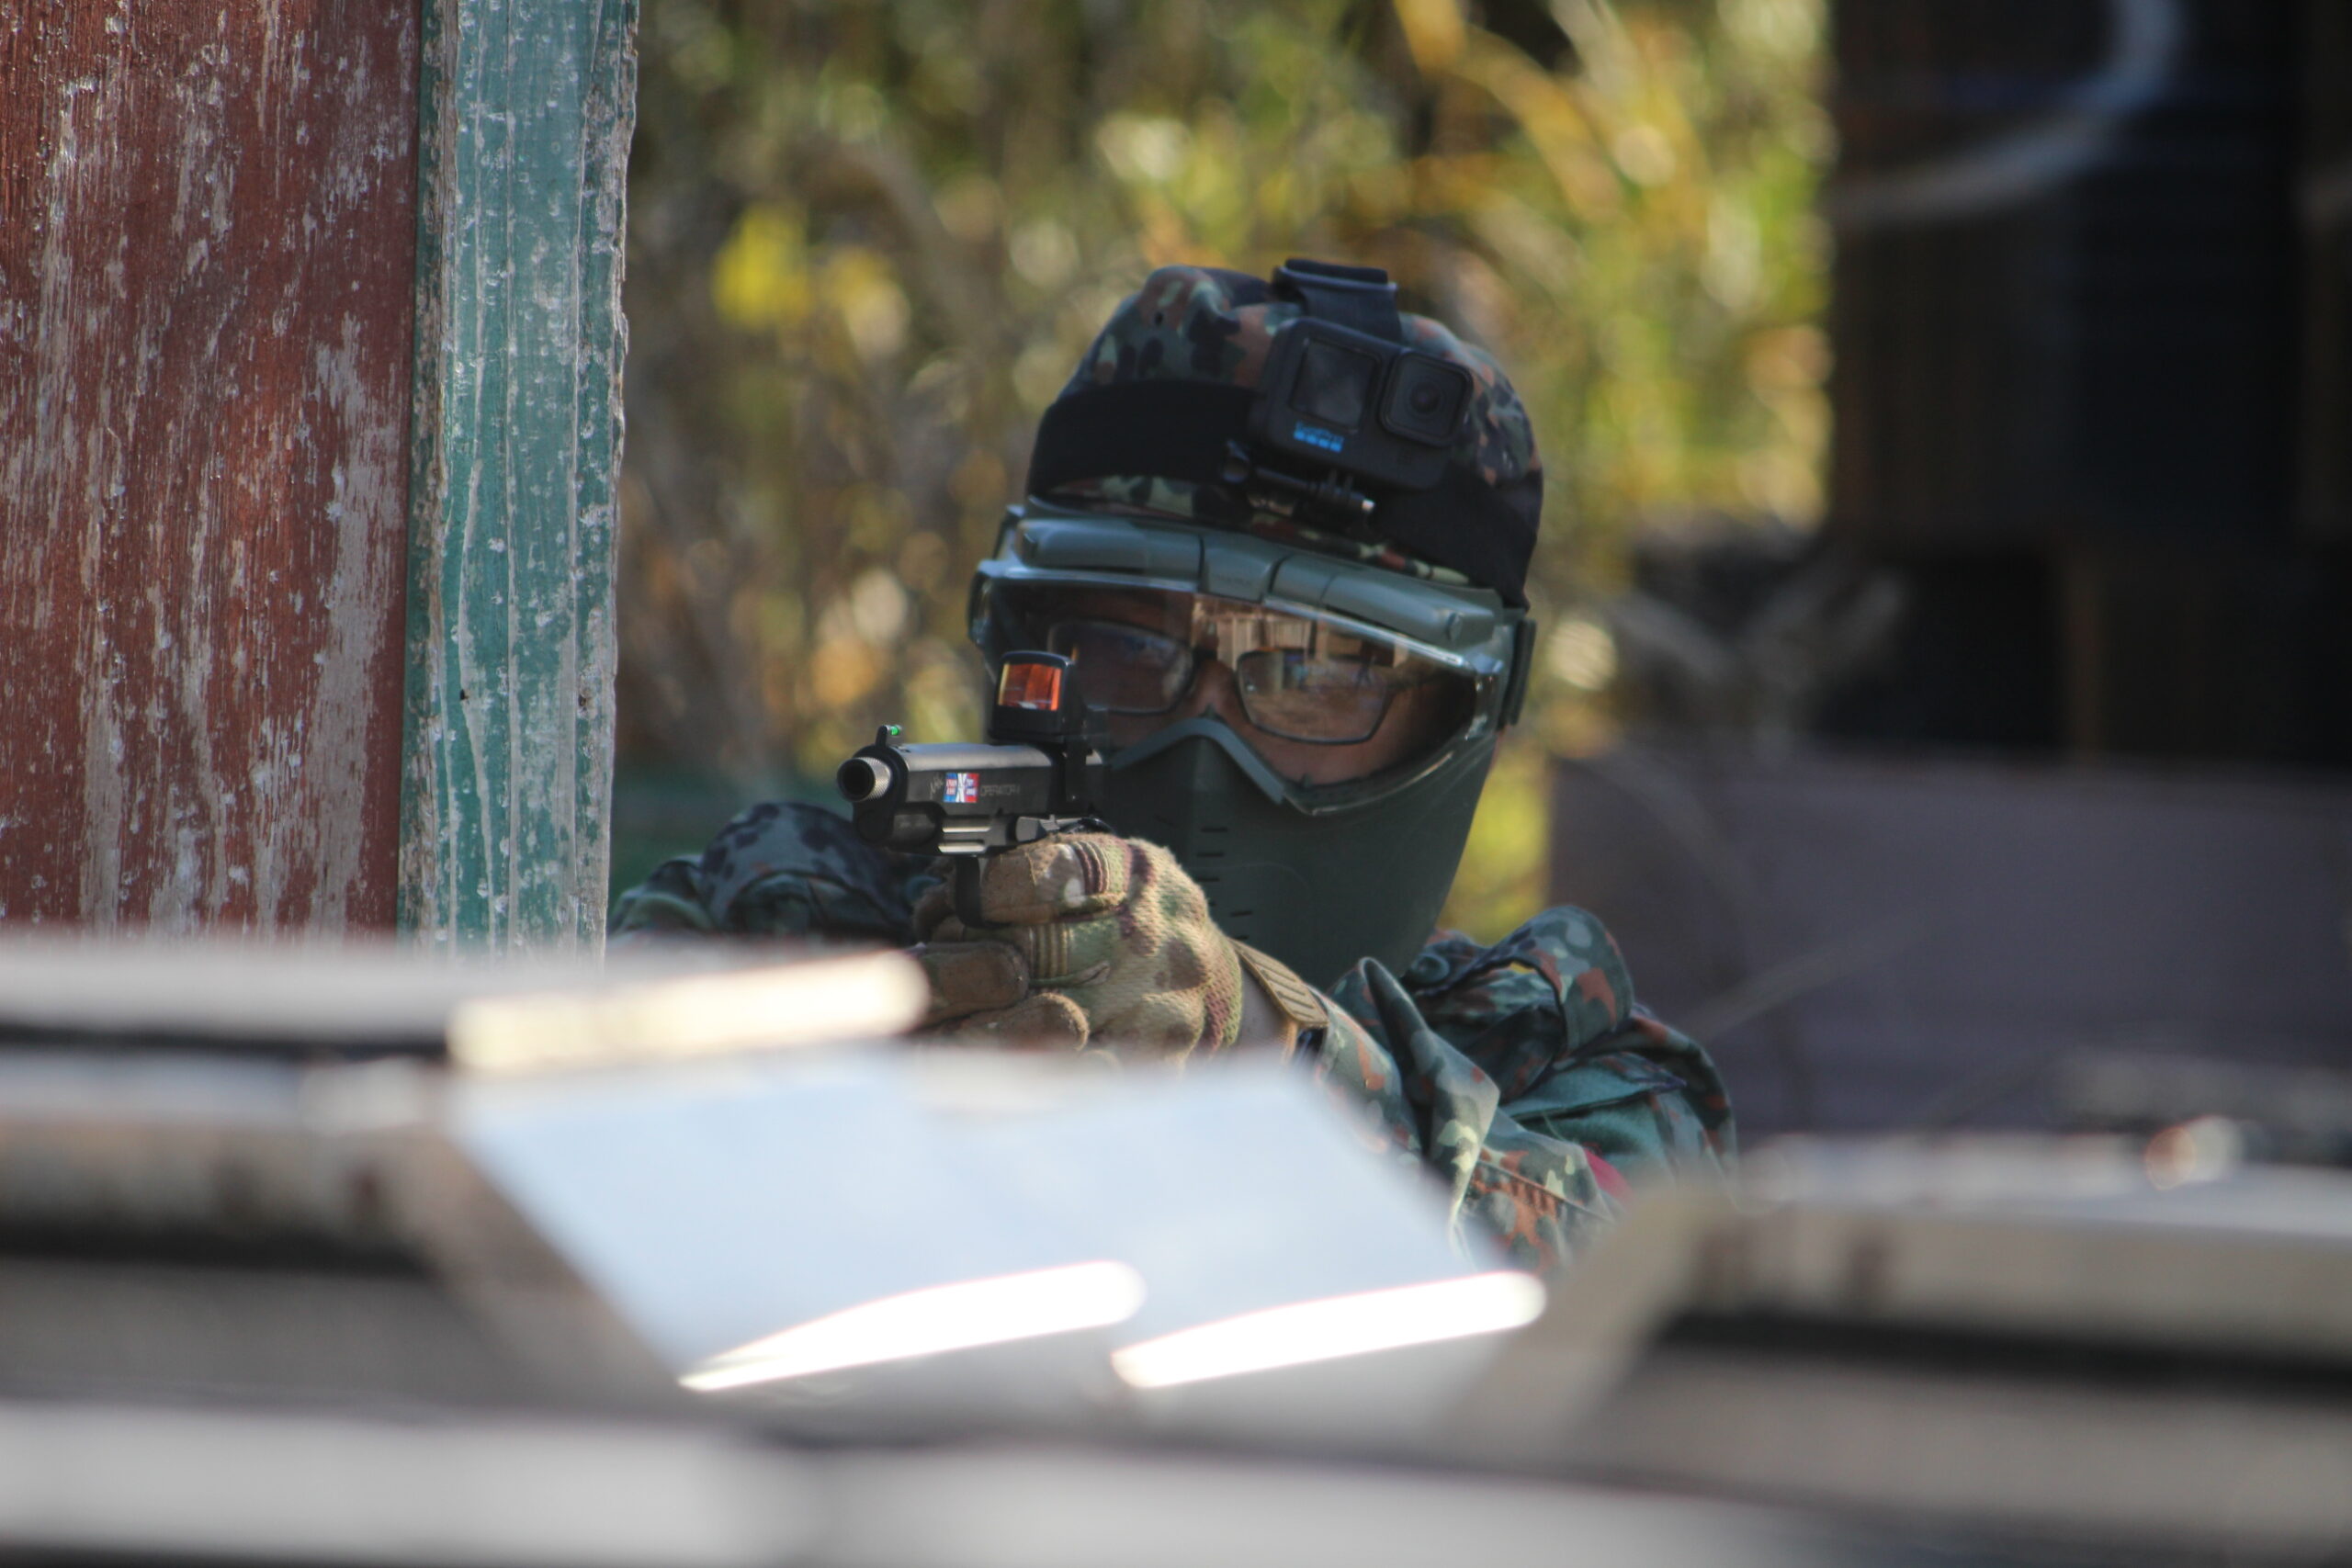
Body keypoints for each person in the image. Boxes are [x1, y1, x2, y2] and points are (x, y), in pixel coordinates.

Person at [612, 260, 1732, 1271]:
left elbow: (1612, 1281)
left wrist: (1261, 1047)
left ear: (1465, 716)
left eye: (1309, 675)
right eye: (1127, 646)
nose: (1204, 740)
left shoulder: (1558, 1063)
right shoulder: (795, 923)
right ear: (1021, 648)